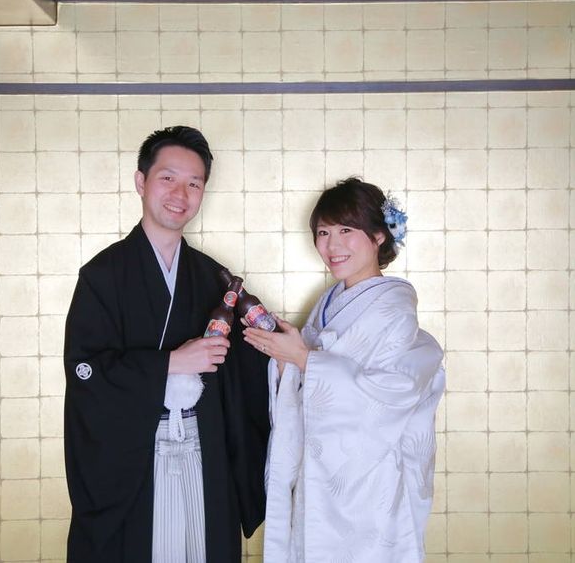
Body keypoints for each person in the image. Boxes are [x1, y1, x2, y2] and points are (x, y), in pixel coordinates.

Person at [64, 126, 270, 563]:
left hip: (204, 450)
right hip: (133, 459)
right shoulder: (102, 276)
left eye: (194, 183)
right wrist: (171, 362)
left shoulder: (213, 277)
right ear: (141, 182)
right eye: (168, 178)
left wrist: (285, 359)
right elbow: (85, 371)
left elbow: (244, 376)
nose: (181, 194)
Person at [244, 178, 445, 563]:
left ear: (379, 236)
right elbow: (306, 384)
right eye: (323, 233)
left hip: (369, 488)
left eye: (346, 231)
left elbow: (390, 396)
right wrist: (286, 363)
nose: (332, 246)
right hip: (318, 481)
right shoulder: (328, 304)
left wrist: (305, 361)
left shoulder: (394, 311)